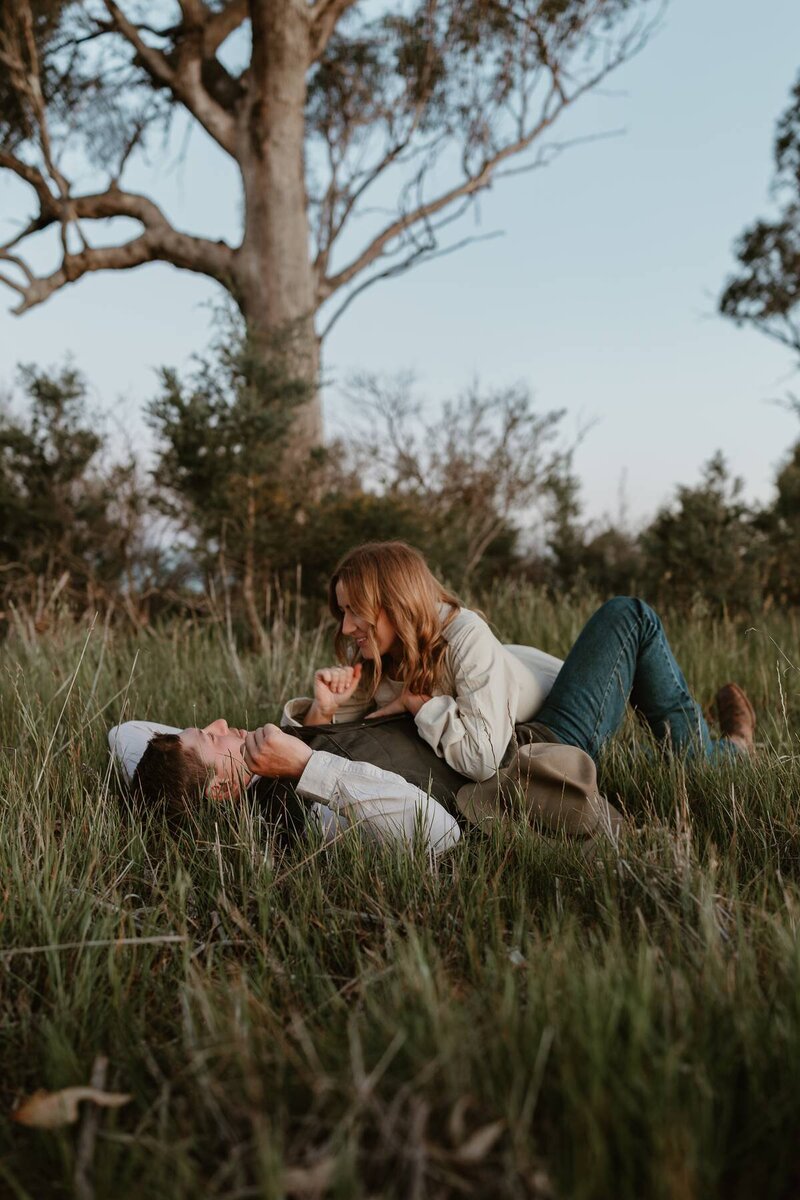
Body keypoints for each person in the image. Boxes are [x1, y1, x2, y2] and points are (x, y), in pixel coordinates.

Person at [111, 541, 756, 852]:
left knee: (626, 642)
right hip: (538, 743)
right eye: (210, 738)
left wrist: (317, 720)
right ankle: (722, 755)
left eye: (353, 613)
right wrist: (305, 763)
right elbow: (434, 832)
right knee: (629, 615)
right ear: (224, 786)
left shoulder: (273, 756)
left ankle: (706, 750)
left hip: (524, 689)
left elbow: (128, 732)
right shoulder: (303, 806)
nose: (222, 723)